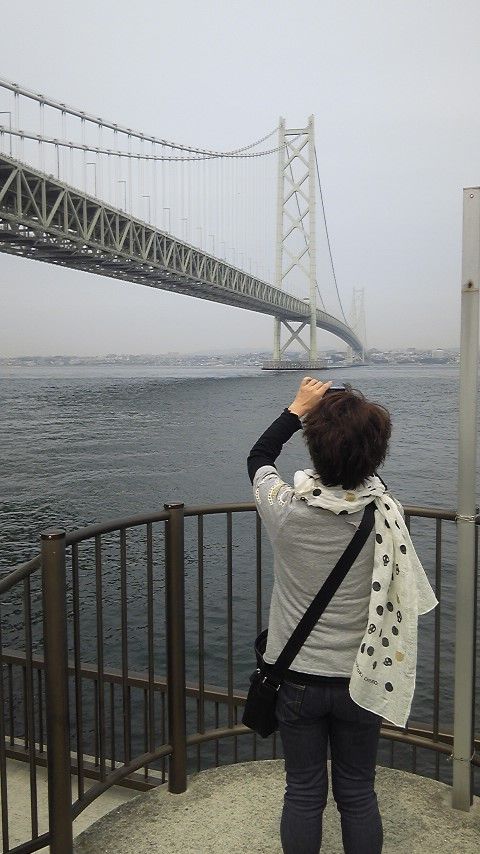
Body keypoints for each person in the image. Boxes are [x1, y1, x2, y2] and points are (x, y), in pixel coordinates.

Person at [247, 377, 437, 854]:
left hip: (296, 680)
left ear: (314, 447)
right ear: (376, 454)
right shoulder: (387, 515)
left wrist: (297, 409)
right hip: (362, 678)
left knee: (303, 791)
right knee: (357, 792)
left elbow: (259, 457)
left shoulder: (285, 510)